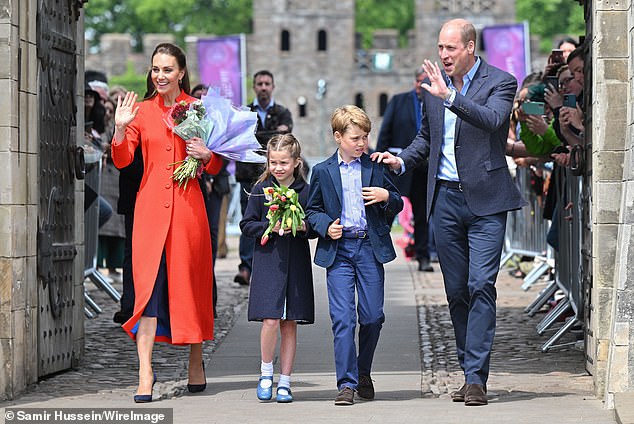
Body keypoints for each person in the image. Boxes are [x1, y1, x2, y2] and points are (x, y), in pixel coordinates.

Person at [372, 19, 525, 406]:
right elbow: (428, 138)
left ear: (470, 47)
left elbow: (493, 121)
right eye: (440, 48)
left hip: (488, 201)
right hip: (445, 200)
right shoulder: (433, 86)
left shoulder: (501, 81)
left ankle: (476, 378)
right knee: (456, 291)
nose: (443, 55)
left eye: (451, 48)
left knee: (480, 285)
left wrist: (452, 97)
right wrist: (401, 160)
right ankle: (466, 368)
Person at [111, 43, 224, 402]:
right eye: (155, 69)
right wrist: (118, 129)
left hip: (188, 212)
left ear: (181, 73)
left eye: (167, 69)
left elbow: (219, 161)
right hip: (148, 215)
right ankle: (145, 372)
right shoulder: (141, 112)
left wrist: (207, 155)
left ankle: (196, 360)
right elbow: (123, 159)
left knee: (189, 286)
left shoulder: (199, 109)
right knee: (146, 292)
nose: (159, 75)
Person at [306, 105, 403, 406]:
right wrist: (326, 227)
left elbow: (397, 203)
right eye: (356, 138)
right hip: (340, 251)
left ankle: (363, 372)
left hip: (369, 249)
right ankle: (346, 383)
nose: (362, 144)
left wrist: (387, 197)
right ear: (338, 137)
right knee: (343, 319)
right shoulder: (322, 171)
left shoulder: (375, 167)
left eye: (365, 137)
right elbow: (312, 211)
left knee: (373, 316)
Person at [240, 134, 315, 404]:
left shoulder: (305, 191)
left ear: (296, 162)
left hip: (295, 263)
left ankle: (285, 381)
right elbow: (246, 224)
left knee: (289, 323)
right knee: (270, 319)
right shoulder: (261, 190)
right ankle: (265, 372)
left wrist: (303, 226)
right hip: (269, 262)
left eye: (284, 162)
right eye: (273, 162)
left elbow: (314, 224)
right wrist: (268, 228)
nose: (278, 167)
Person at [234, 70, 293, 286]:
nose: (263, 87)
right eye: (259, 83)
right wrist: (271, 134)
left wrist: (257, 136)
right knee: (248, 220)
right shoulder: (245, 113)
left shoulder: (283, 112)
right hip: (248, 176)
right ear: (254, 87)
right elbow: (242, 140)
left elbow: (284, 140)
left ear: (273, 86)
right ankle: (246, 266)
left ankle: (266, 265)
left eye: (267, 83)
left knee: (274, 217)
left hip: (276, 177)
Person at [376, 68, 433, 272]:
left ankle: (423, 256)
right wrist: (380, 163)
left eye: (424, 82)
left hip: (423, 169)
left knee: (421, 215)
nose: (420, 85)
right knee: (388, 209)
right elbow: (385, 133)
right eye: (418, 81)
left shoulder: (435, 103)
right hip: (397, 167)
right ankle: (378, 251)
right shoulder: (399, 101)